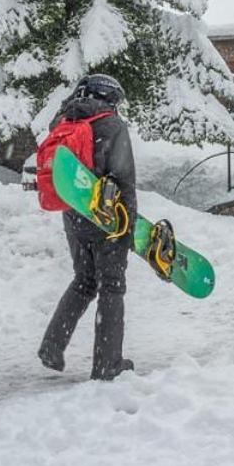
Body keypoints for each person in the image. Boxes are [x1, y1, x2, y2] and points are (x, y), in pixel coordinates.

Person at [39, 72, 138, 381]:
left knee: (84, 280)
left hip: (74, 212)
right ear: (109, 98)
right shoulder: (111, 125)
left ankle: (52, 345)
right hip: (107, 216)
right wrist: (130, 225)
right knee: (112, 286)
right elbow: (123, 177)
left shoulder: (63, 121)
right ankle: (108, 364)